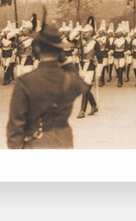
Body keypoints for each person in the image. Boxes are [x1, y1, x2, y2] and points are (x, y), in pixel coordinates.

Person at [6, 15, 88, 149]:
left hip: (37, 142)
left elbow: (15, 125)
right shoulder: (70, 79)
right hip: (64, 142)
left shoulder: (25, 82)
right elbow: (82, 85)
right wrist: (66, 61)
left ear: (37, 49)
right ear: (60, 50)